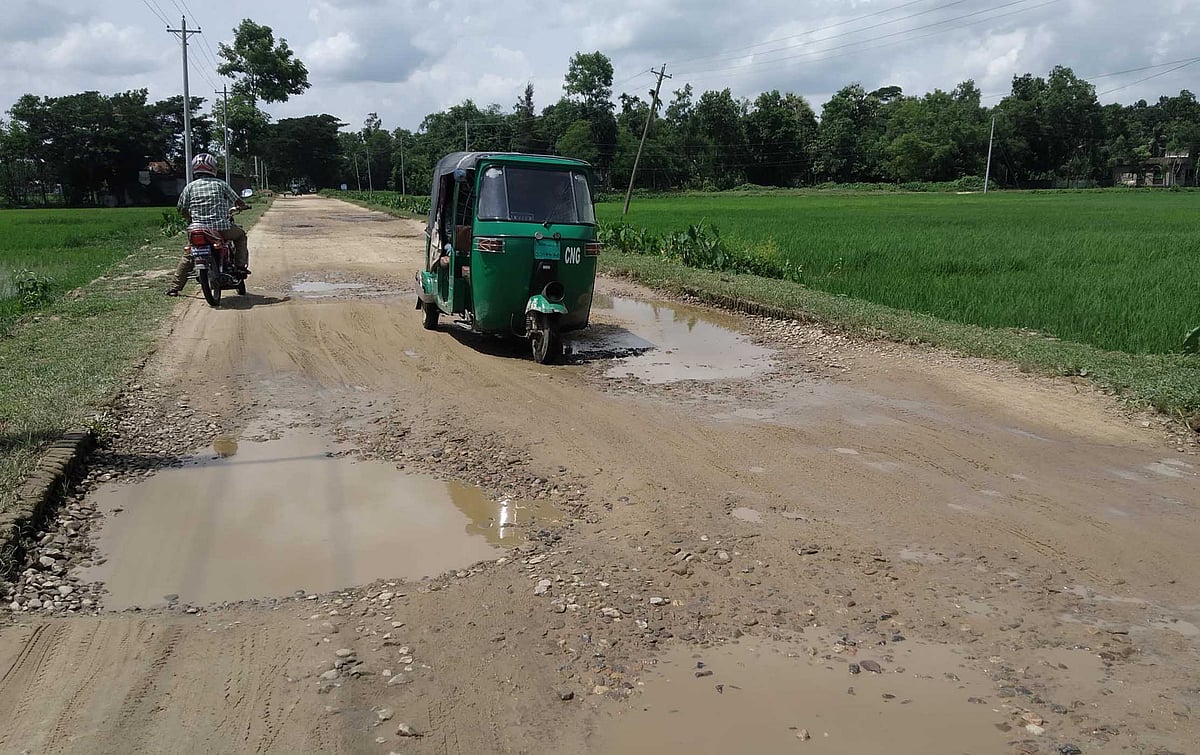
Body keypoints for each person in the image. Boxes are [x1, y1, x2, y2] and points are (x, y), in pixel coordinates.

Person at [166, 153, 250, 296]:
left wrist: (190, 219)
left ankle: (174, 288)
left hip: (197, 229)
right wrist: (243, 206)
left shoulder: (190, 187)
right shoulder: (220, 184)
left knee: (189, 255)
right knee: (241, 235)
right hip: (221, 228)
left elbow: (181, 208)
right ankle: (240, 267)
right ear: (213, 168)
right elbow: (238, 202)